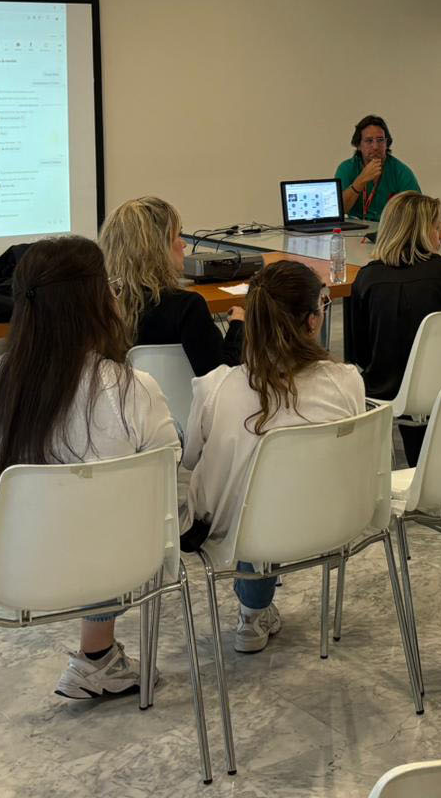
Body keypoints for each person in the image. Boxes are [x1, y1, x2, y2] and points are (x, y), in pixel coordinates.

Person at [0, 236, 179, 700]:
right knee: (119, 517)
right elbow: (167, 478)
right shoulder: (135, 388)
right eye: (110, 287)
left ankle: (98, 660)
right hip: (112, 568)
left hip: (2, 571)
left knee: (91, 520)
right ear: (95, 303)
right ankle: (98, 655)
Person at [181, 260, 366, 653]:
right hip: (330, 521)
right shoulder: (347, 381)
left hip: (237, 530)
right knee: (273, 490)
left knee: (245, 488)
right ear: (312, 322)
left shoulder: (215, 388)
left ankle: (251, 613)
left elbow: (191, 461)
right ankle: (254, 609)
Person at [343, 191, 441, 465]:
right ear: (422, 231)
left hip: (383, 387)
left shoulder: (366, 278)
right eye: (437, 228)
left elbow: (357, 352)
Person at [98, 196, 244, 376]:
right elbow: (220, 378)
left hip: (128, 395)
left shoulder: (101, 306)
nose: (184, 244)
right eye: (177, 236)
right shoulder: (187, 307)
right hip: (187, 395)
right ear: (157, 248)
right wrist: (238, 326)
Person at [336, 115, 421, 222]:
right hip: (356, 228)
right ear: (358, 145)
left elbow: (418, 211)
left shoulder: (401, 171)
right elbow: (339, 211)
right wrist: (361, 180)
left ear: (386, 143)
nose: (375, 147)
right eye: (369, 141)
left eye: (380, 140)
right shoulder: (346, 168)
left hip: (389, 228)